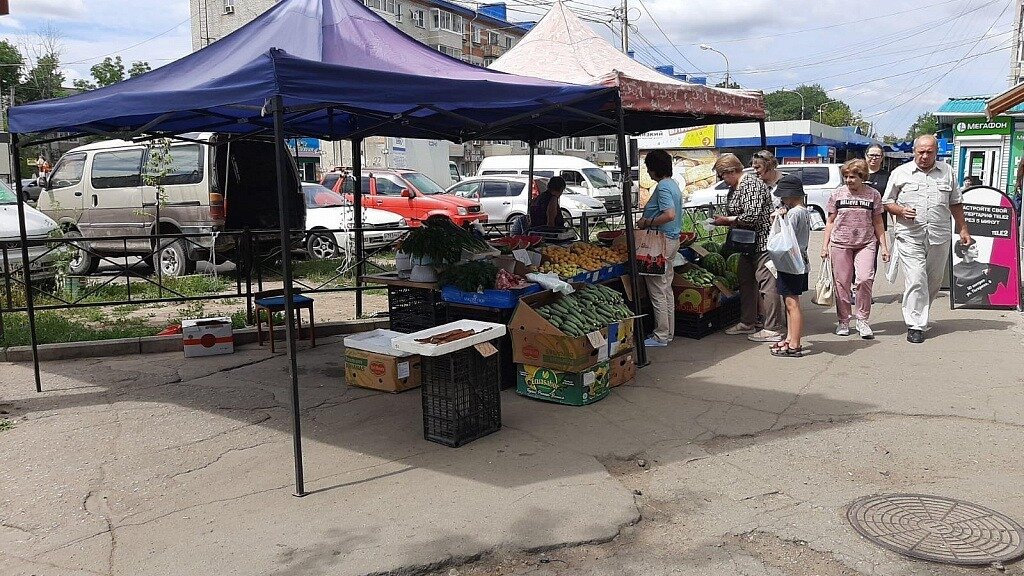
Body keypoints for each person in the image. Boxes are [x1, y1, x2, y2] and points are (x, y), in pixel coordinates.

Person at [882, 134, 971, 344]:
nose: (924, 156)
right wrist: (901, 210)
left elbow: (956, 203)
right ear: (914, 151)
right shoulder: (900, 172)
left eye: (929, 152)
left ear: (936, 152)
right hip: (909, 235)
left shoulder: (947, 172)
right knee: (916, 278)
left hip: (939, 236)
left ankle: (921, 311)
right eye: (920, 151)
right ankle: (916, 324)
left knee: (934, 280)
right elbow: (887, 202)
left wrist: (963, 230)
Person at [712, 153, 783, 342]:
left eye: (722, 175)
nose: (722, 179)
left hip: (762, 242)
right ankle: (747, 322)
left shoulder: (751, 184)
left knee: (767, 284)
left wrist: (726, 220)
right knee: (746, 281)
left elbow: (752, 216)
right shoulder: (737, 186)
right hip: (745, 244)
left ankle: (772, 328)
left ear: (732, 171)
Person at [821, 159, 890, 339]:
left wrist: (884, 246)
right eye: (846, 176)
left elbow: (878, 222)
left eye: (853, 176)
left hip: (866, 242)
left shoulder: (873, 195)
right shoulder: (837, 194)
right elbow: (830, 221)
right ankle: (844, 320)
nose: (849, 180)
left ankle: (862, 319)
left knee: (865, 278)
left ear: (862, 176)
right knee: (842, 283)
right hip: (840, 243)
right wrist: (824, 246)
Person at [636, 150, 682, 347]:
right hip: (672, 240)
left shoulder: (663, 187)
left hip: (659, 243)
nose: (648, 172)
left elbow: (669, 214)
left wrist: (647, 221)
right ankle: (669, 332)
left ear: (654, 169)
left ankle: (660, 335)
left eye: (648, 168)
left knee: (657, 290)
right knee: (666, 287)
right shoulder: (673, 184)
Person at [770, 174, 811, 357]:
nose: (782, 200)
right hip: (800, 261)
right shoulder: (803, 211)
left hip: (791, 263)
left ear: (791, 195)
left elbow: (784, 237)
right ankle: (789, 338)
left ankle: (794, 343)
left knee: (791, 303)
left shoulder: (794, 213)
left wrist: (778, 219)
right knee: (789, 302)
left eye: (784, 196)